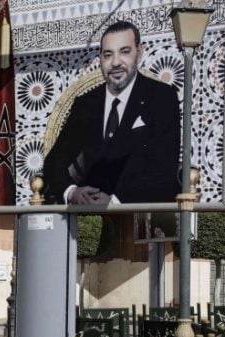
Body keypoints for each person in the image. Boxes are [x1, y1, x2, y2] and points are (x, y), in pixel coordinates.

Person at [43, 21, 181, 205]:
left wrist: (115, 202)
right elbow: (54, 161)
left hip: (140, 213)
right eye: (108, 55)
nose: (115, 62)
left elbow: (164, 167)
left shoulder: (161, 97)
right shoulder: (86, 103)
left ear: (139, 52)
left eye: (125, 52)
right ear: (100, 58)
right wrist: (72, 192)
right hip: (88, 214)